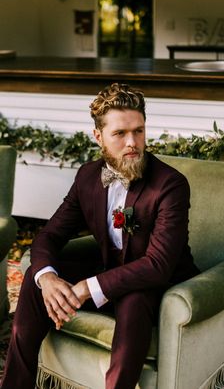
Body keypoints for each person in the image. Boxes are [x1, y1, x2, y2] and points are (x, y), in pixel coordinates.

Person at [0, 82, 199, 389]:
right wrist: (49, 279)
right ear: (99, 136)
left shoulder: (170, 185)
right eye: (120, 133)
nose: (132, 142)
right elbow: (49, 236)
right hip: (110, 273)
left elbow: (157, 265)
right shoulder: (88, 177)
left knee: (134, 300)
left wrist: (85, 289)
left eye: (139, 131)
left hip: (159, 285)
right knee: (34, 278)